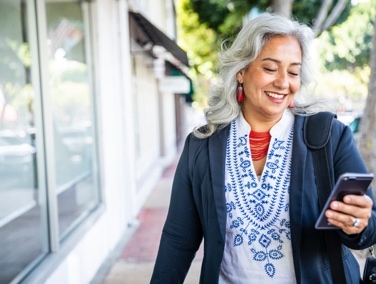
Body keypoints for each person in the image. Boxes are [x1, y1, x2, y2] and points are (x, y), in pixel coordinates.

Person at [150, 13, 376, 283]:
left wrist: (357, 223)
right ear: (241, 71)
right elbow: (178, 237)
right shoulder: (202, 145)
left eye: (293, 72)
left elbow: (368, 230)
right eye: (270, 68)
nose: (283, 82)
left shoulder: (329, 136)